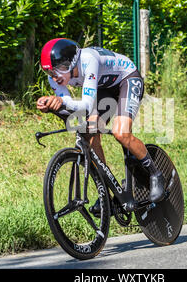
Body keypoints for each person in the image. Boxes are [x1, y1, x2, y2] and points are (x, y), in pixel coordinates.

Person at [37, 38, 166, 211]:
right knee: (90, 134)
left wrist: (60, 102)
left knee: (121, 132)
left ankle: (156, 174)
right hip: (104, 87)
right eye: (50, 72)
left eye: (59, 69)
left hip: (126, 79)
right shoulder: (55, 78)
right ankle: (106, 193)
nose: (55, 76)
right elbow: (71, 109)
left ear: (72, 62)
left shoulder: (89, 60)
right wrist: (53, 106)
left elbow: (86, 105)